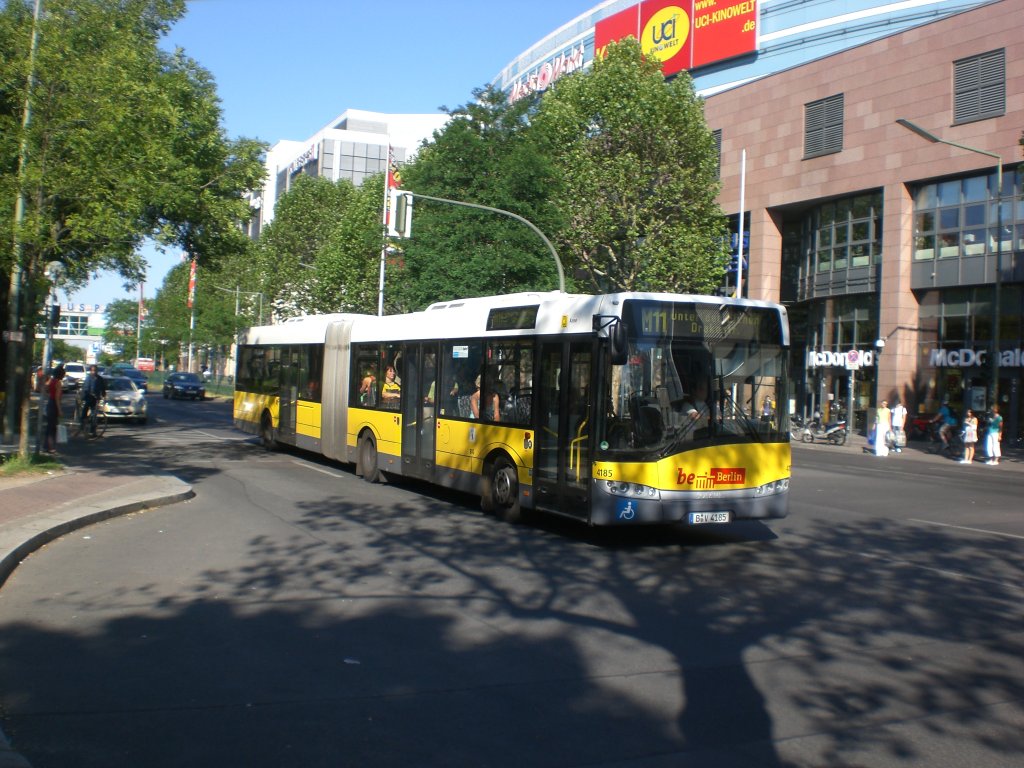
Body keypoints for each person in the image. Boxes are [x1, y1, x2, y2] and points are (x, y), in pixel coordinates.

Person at [79, 364, 107, 437]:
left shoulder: (100, 379)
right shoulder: (88, 378)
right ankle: (82, 424)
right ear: (90, 371)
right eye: (92, 370)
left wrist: (103, 396)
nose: (93, 372)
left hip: (95, 399)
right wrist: (89, 394)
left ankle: (93, 431)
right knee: (84, 411)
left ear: (97, 371)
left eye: (95, 370)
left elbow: (103, 388)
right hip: (88, 397)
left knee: (94, 416)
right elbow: (86, 388)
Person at [43, 366, 65, 453]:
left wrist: (48, 395)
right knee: (53, 427)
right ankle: (51, 447)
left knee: (49, 427)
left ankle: (46, 446)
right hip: (54, 405)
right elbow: (57, 398)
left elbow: (45, 388)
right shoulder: (58, 383)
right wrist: (59, 410)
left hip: (50, 403)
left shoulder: (51, 381)